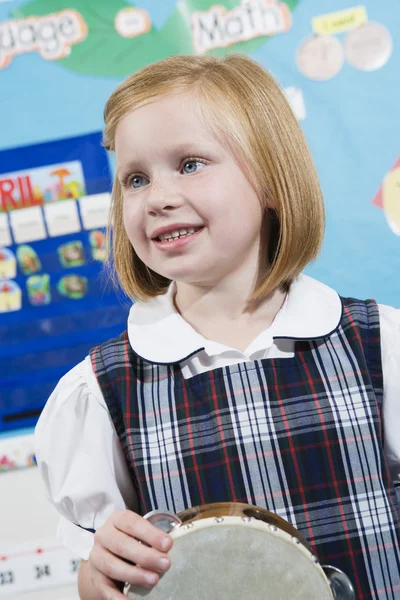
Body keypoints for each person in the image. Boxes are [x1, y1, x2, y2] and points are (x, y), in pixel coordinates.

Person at [35, 54, 400, 600]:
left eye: (189, 164)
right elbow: (101, 576)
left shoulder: (379, 344)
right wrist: (100, 573)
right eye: (135, 179)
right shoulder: (100, 392)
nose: (157, 198)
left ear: (273, 181)